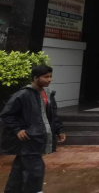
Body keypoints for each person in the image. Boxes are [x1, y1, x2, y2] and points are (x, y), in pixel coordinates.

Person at [0, 65, 65, 193]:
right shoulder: (23, 94)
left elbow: (51, 115)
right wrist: (18, 129)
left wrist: (59, 129)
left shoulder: (48, 94)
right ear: (36, 77)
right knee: (36, 170)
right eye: (46, 77)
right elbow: (6, 114)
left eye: (50, 77)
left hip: (38, 138)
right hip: (28, 138)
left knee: (18, 171)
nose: (49, 80)